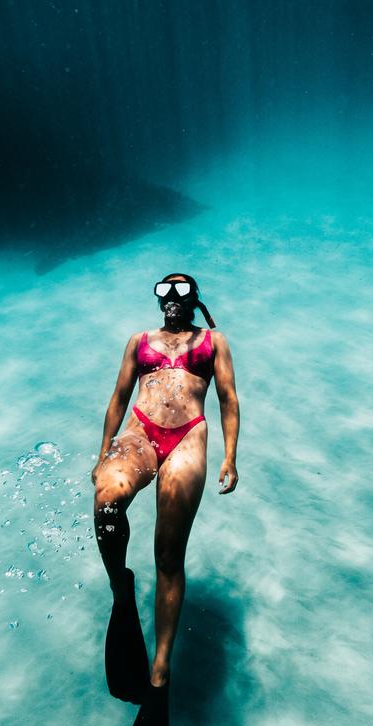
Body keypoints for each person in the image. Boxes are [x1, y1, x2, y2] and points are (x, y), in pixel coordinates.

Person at [91, 273, 239, 699]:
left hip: (187, 438)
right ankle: (121, 584)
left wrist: (230, 455)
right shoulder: (139, 341)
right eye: (164, 289)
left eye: (180, 290)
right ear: (158, 299)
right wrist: (103, 451)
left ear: (193, 299)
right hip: (141, 433)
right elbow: (119, 396)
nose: (171, 297)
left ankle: (160, 670)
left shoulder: (214, 341)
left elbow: (228, 398)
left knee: (168, 554)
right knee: (106, 502)